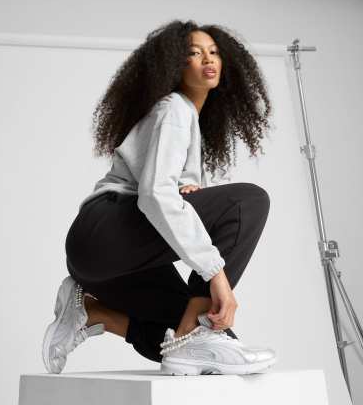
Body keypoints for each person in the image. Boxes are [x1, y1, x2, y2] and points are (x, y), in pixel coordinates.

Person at [42, 19, 277, 376]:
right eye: (194, 53)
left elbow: (162, 192)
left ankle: (92, 313)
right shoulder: (174, 109)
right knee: (248, 202)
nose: (207, 59)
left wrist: (186, 190)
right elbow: (155, 195)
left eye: (214, 52)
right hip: (106, 232)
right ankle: (196, 334)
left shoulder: (187, 118)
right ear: (174, 65)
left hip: (103, 262)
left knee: (188, 346)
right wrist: (216, 274)